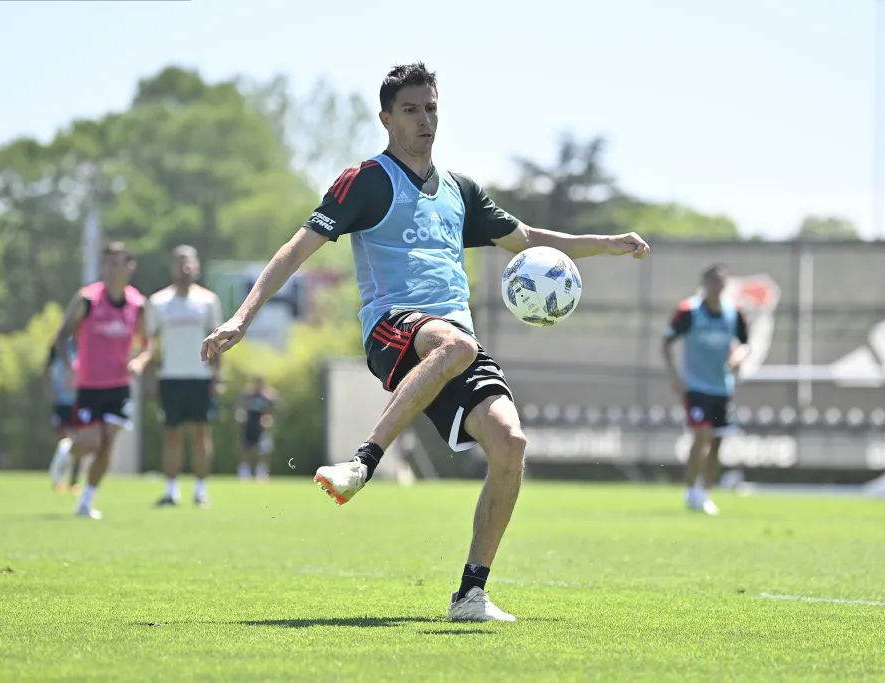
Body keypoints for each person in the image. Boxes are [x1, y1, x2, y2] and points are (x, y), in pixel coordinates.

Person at [201, 62, 650, 622]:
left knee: (511, 445)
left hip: (447, 339)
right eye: (411, 110)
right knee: (456, 347)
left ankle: (471, 594)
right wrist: (241, 318)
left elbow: (528, 240)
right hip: (393, 328)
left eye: (431, 108)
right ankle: (363, 464)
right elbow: (296, 248)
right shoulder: (364, 181)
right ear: (386, 117)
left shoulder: (461, 191)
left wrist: (606, 243)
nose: (424, 120)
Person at [52, 242, 153, 519]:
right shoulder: (87, 300)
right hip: (89, 386)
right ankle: (69, 450)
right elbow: (61, 336)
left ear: (129, 267)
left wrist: (139, 362)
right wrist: (70, 367)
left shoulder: (137, 304)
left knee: (107, 444)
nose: (110, 270)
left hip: (119, 387)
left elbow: (147, 345)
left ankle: (86, 501)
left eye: (116, 263)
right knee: (92, 442)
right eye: (106, 264)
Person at [662, 263, 750, 516]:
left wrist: (738, 356)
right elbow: (666, 344)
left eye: (719, 282)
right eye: (711, 281)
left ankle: (706, 492)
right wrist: (675, 376)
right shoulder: (688, 311)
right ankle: (691, 490)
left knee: (717, 441)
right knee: (701, 435)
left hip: (722, 387)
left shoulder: (734, 313)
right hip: (696, 386)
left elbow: (745, 343)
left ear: (725, 284)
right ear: (704, 284)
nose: (715, 287)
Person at [147, 246, 224, 508]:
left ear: (197, 266)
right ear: (172, 267)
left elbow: (218, 342)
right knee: (171, 434)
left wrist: (217, 376)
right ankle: (171, 491)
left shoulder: (208, 300)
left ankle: (201, 492)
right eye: (180, 263)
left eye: (189, 262)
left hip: (200, 378)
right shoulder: (158, 302)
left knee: (201, 435)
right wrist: (150, 377)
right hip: (169, 377)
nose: (185, 267)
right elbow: (150, 343)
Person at [46, 338, 81, 493]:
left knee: (79, 442)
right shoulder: (58, 345)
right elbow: (47, 369)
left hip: (80, 401)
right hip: (61, 401)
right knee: (63, 441)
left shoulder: (85, 343)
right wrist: (49, 388)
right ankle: (58, 479)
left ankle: (74, 481)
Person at [235, 377, 280, 482]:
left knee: (263, 450)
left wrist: (268, 419)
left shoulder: (267, 397)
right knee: (245, 448)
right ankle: (244, 471)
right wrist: (241, 415)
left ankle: (261, 471)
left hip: (261, 427)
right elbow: (241, 406)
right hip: (249, 424)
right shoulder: (248, 396)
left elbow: (271, 409)